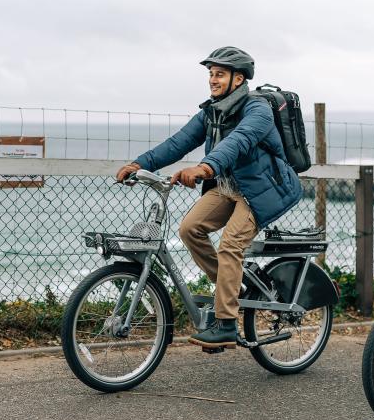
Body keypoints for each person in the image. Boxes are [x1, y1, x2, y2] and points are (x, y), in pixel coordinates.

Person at [115, 46, 303, 349]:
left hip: (263, 190)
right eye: (211, 74)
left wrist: (205, 167)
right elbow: (179, 142)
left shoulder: (258, 110)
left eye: (220, 74)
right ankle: (234, 287)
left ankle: (226, 323)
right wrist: (140, 164)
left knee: (230, 244)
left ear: (239, 79)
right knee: (190, 229)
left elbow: (240, 142)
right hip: (229, 186)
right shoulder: (212, 112)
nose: (213, 80)